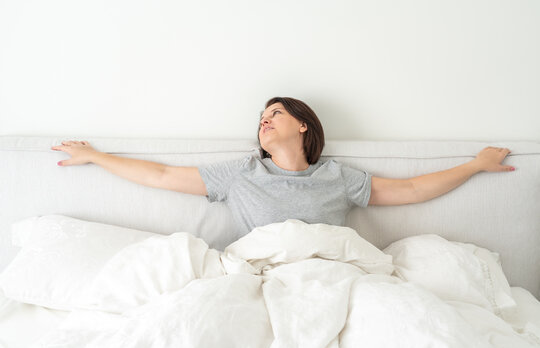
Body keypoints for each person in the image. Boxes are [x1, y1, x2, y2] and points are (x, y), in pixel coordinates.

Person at [51, 96, 515, 239]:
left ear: (303, 127)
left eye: (275, 114)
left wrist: (475, 164)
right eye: (261, 119)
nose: (264, 121)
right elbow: (161, 176)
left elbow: (412, 189)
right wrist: (94, 156)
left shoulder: (339, 177)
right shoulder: (241, 174)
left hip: (326, 267)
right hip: (262, 268)